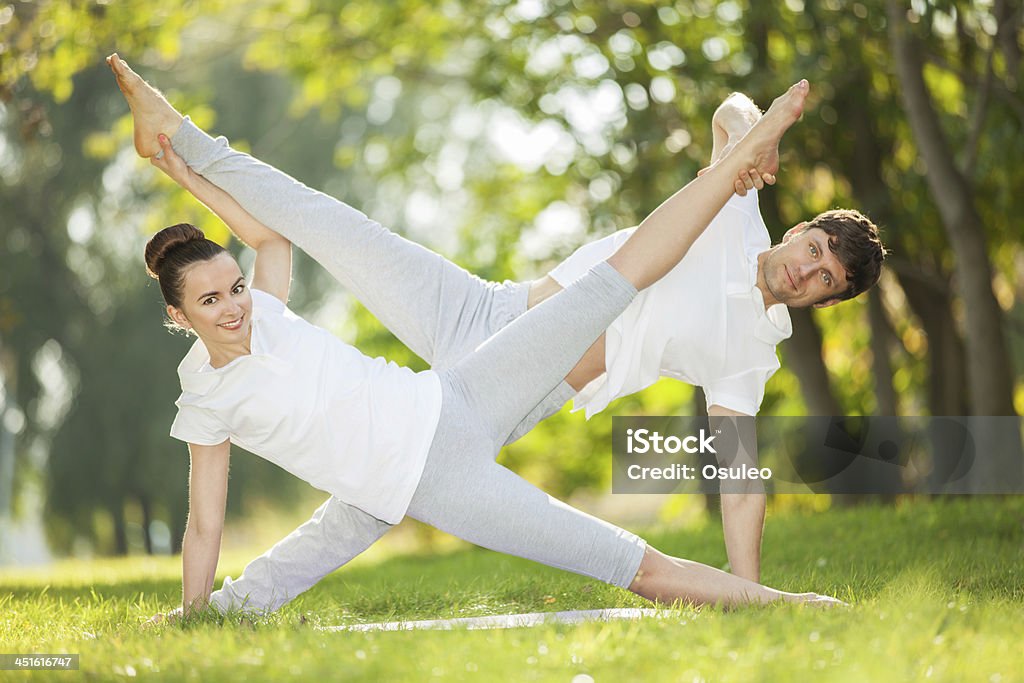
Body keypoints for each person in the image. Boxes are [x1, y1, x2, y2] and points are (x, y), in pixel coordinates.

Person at [107, 53, 843, 625]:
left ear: (825, 300)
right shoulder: (740, 206)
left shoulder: (750, 352)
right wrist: (755, 132)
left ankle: (771, 603)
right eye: (813, 250)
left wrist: (751, 588)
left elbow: (740, 479)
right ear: (799, 228)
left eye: (825, 281)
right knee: (331, 222)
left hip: (506, 387)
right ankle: (176, 127)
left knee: (624, 278)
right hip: (484, 318)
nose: (808, 272)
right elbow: (727, 115)